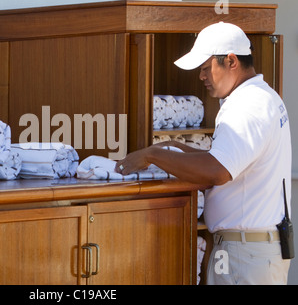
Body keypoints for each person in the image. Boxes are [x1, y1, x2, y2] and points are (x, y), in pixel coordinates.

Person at [115, 22, 292, 285]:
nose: (201, 76)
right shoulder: (263, 96)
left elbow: (217, 171)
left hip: (245, 255)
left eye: (206, 68)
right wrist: (176, 149)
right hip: (252, 251)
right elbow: (230, 160)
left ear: (231, 61)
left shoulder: (247, 106)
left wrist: (154, 155)